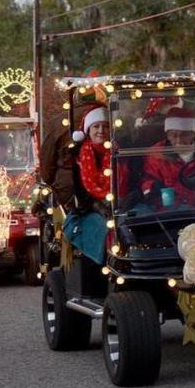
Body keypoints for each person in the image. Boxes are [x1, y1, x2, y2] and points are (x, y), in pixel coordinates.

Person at [38, 85, 107, 210]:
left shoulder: (60, 121)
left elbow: (46, 162)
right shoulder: (111, 117)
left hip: (68, 189)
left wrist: (53, 181)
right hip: (111, 187)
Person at [62, 105, 111, 264]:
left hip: (118, 205)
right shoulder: (78, 156)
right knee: (103, 228)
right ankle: (102, 265)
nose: (101, 131)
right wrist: (98, 205)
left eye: (105, 126)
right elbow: (80, 192)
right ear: (88, 130)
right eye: (96, 126)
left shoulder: (116, 152)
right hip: (88, 207)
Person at [141, 107, 195, 209]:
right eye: (173, 135)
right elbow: (147, 180)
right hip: (169, 212)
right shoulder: (155, 155)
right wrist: (152, 188)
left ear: (193, 134)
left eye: (184, 135)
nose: (178, 140)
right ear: (167, 135)